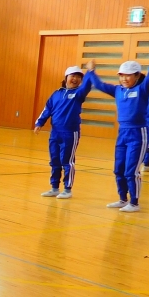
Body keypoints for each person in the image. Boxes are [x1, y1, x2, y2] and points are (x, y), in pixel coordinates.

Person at [87, 49, 149, 212]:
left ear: (137, 76)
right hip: (123, 134)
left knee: (131, 171)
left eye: (128, 75)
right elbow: (99, 85)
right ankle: (123, 199)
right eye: (121, 75)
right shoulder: (117, 90)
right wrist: (91, 71)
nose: (124, 79)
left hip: (138, 134)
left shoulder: (142, 89)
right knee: (118, 169)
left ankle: (134, 203)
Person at [34, 65, 94, 199]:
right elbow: (47, 109)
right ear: (66, 77)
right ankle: (54, 187)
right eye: (73, 76)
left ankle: (67, 189)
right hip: (55, 133)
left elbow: (87, 85)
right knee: (54, 160)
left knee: (67, 161)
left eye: (78, 77)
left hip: (70, 133)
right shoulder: (56, 94)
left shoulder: (79, 93)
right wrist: (39, 123)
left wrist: (90, 71)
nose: (75, 79)